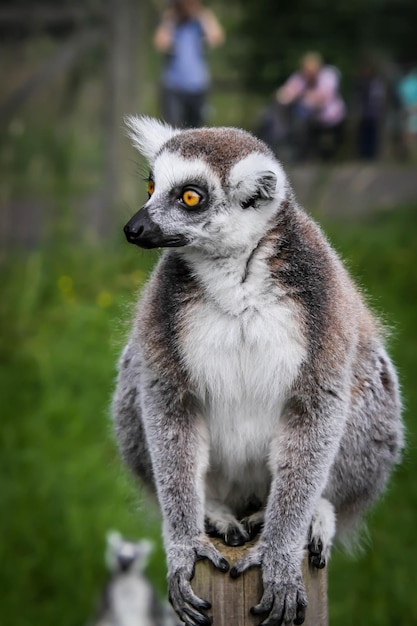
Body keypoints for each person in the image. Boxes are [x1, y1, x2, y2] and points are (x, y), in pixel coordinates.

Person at [154, 0, 224, 128]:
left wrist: (202, 16)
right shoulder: (172, 23)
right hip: (174, 86)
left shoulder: (200, 22)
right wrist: (170, 20)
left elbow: (217, 37)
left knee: (196, 130)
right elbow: (160, 43)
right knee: (172, 129)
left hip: (197, 85)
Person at [276, 52, 346, 161]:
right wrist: (288, 94)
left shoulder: (328, 76)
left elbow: (321, 97)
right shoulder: (300, 78)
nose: (308, 74)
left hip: (332, 118)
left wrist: (299, 95)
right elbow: (284, 94)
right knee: (299, 116)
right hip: (312, 120)